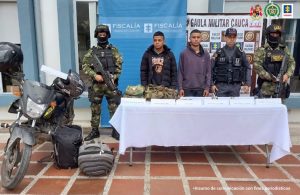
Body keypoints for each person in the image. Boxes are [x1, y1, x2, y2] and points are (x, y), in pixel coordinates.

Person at [82, 24, 123, 141]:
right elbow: (85, 65)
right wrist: (95, 75)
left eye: (104, 33)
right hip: (97, 86)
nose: (102, 35)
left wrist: (114, 77)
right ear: (96, 35)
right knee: (95, 109)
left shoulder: (114, 51)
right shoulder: (92, 52)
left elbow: (119, 66)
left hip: (110, 85)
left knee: (114, 108)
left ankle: (115, 130)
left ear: (107, 35)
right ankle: (94, 131)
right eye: (100, 33)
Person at [253, 24, 295, 98]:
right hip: (265, 88)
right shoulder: (262, 50)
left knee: (279, 108)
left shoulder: (284, 49)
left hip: (281, 88)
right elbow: (257, 66)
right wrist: (271, 77)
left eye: (277, 34)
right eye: (273, 34)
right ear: (268, 35)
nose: (275, 36)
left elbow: (292, 63)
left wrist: (287, 75)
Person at [211, 27, 251, 97]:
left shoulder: (241, 53)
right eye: (229, 37)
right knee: (220, 106)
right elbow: (210, 68)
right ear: (225, 37)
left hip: (235, 87)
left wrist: (247, 83)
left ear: (236, 38)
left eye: (234, 37)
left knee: (234, 107)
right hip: (220, 86)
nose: (231, 39)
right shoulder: (218, 52)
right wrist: (211, 84)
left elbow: (248, 67)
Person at [178, 29, 211, 97]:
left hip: (201, 89)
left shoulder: (206, 54)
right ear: (190, 38)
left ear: (201, 39)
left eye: (198, 37)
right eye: (193, 37)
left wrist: (207, 88)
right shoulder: (184, 53)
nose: (196, 39)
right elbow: (180, 72)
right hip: (186, 89)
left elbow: (208, 72)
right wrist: (180, 88)